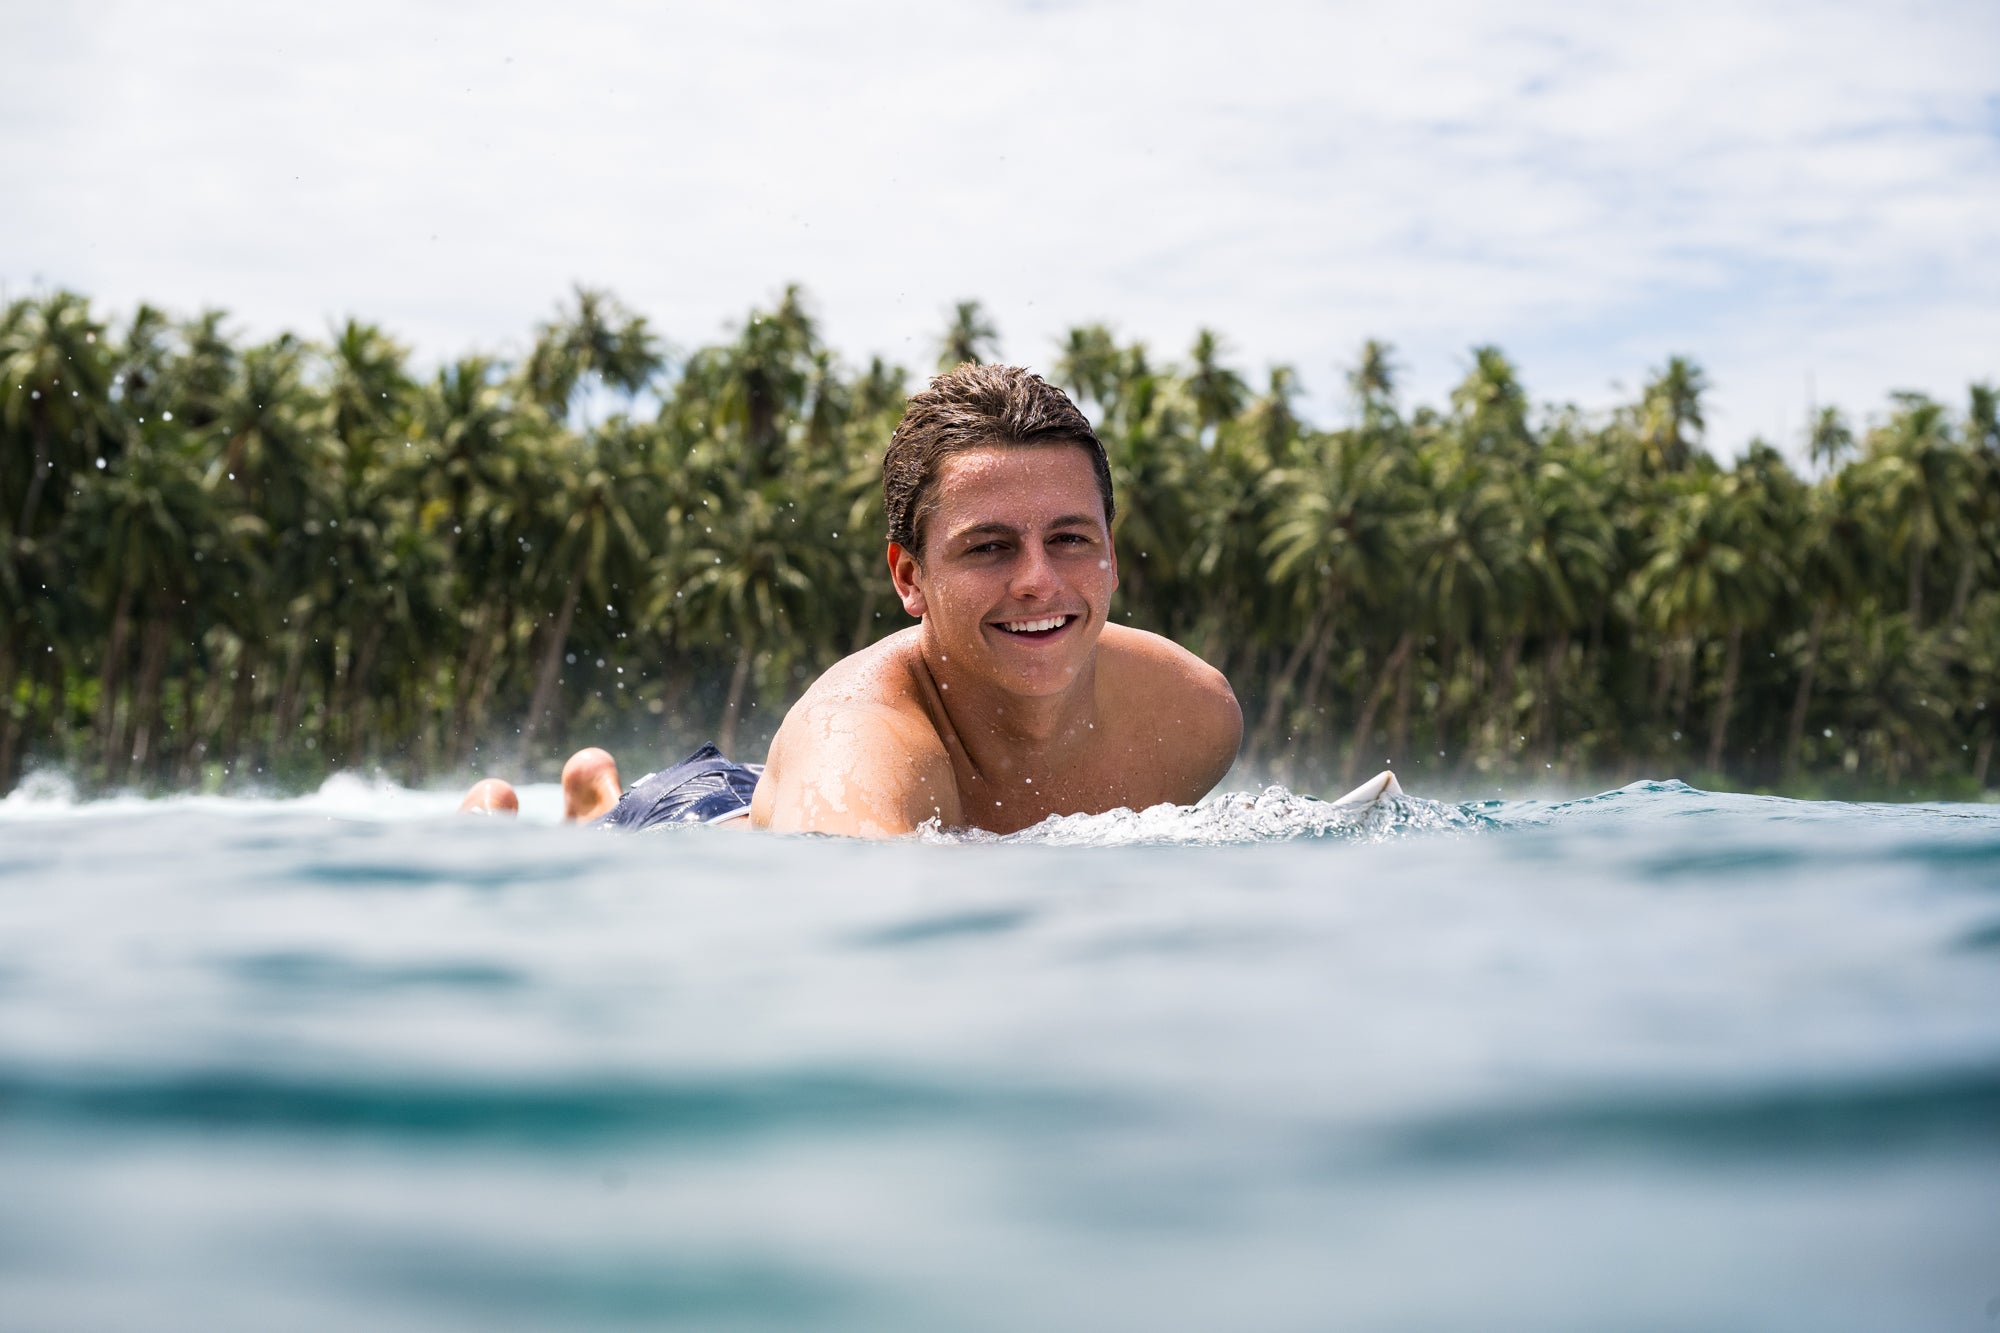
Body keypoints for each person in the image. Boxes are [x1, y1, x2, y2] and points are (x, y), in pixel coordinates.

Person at [460, 363, 1242, 837]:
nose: (1038, 578)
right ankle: (595, 803)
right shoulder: (855, 745)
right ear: (909, 578)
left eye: (1070, 538)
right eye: (989, 546)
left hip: (769, 792)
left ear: (1110, 554)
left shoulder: (1191, 719)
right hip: (684, 827)